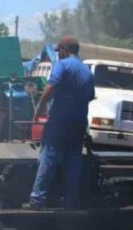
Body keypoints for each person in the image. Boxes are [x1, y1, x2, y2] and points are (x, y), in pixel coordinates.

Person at [26, 36, 95, 209]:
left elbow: (50, 88)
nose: (58, 54)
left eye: (59, 51)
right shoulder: (87, 71)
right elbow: (90, 96)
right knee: (73, 160)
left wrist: (40, 108)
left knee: (48, 157)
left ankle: (37, 199)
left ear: (64, 50)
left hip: (60, 120)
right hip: (79, 121)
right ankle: (69, 201)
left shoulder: (62, 65)